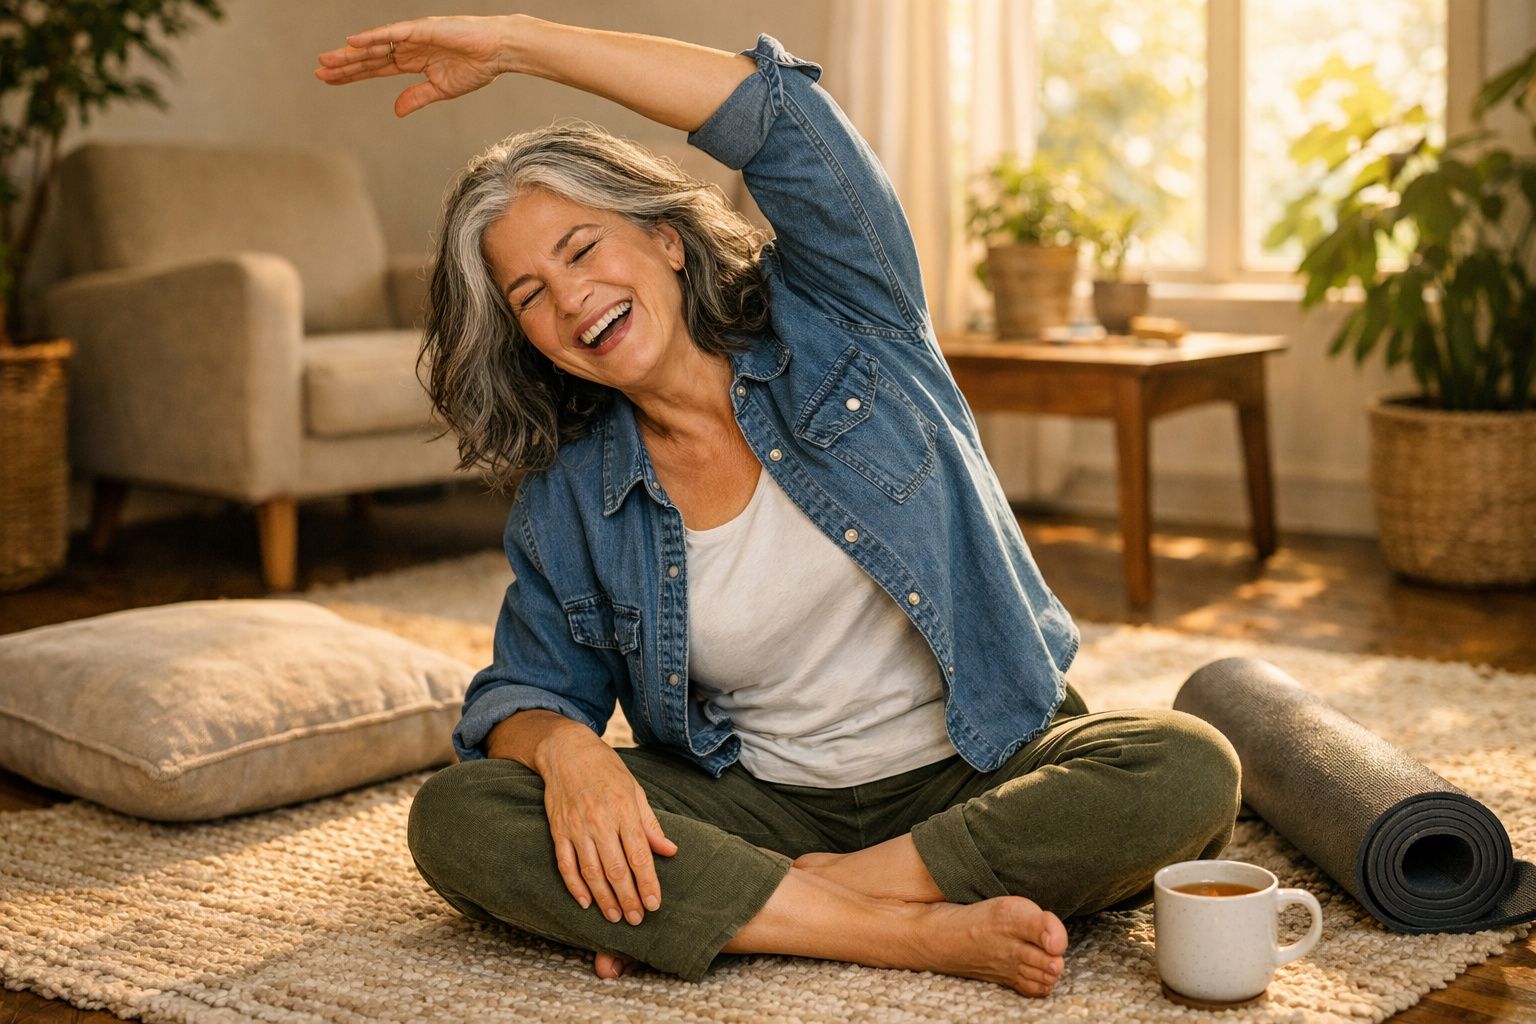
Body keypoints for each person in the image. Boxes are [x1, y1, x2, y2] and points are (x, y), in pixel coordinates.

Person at [315, 15, 1240, 999]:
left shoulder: (847, 319)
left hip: (975, 768)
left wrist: (517, 45)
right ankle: (899, 931)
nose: (573, 299)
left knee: (1186, 767)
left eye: (584, 248)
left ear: (666, 239)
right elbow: (523, 692)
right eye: (532, 295)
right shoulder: (572, 493)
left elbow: (779, 117)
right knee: (463, 814)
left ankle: (792, 902)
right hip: (757, 804)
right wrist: (570, 751)